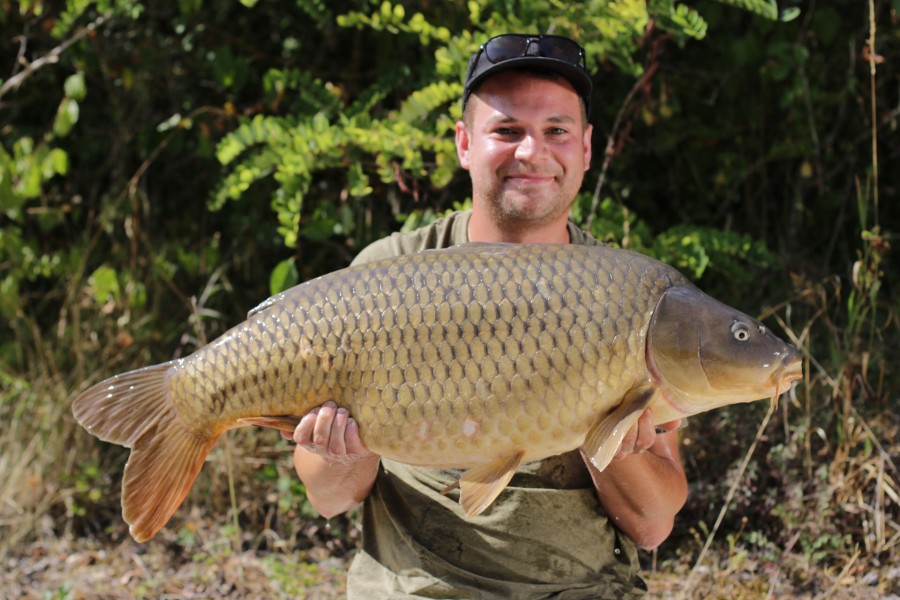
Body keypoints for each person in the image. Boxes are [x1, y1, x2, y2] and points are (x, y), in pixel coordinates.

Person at [282, 33, 688, 599]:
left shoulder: (624, 294)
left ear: (587, 148)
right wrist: (339, 448)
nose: (531, 152)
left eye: (556, 131)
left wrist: (612, 438)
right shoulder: (387, 274)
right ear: (464, 144)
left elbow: (653, 523)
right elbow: (328, 498)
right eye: (507, 131)